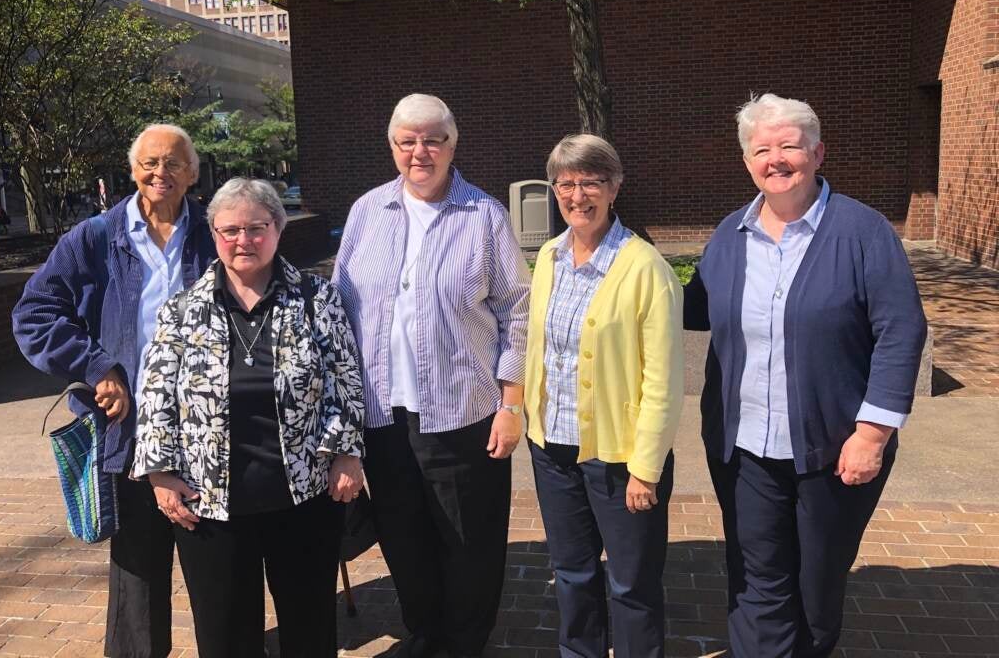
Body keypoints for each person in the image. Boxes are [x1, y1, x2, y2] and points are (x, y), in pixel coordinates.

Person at [684, 93, 927, 658]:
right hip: (745, 448)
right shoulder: (731, 234)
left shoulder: (862, 231)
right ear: (747, 161)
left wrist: (872, 434)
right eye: (761, 148)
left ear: (818, 153)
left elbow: (901, 330)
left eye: (789, 146)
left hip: (833, 449)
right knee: (757, 578)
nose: (775, 158)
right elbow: (690, 308)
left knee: (817, 584)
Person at [332, 94, 531, 658]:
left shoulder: (484, 214)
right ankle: (425, 633)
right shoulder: (367, 212)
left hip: (465, 412)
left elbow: (518, 311)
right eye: (407, 141)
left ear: (452, 143)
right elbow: (341, 309)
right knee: (404, 537)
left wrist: (511, 404)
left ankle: (464, 643)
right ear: (392, 146)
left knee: (469, 541)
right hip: (383, 416)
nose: (420, 151)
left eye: (433, 139)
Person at [132, 177, 365, 658]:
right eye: (230, 230)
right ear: (214, 234)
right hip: (210, 503)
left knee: (309, 626)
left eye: (257, 227)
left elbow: (346, 377)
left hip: (304, 494)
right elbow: (155, 393)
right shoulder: (181, 310)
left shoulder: (315, 298)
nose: (243, 240)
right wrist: (159, 471)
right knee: (224, 635)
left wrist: (346, 452)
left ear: (278, 229)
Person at [13, 124, 216, 658]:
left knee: (215, 555)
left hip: (207, 425)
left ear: (192, 173)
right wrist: (97, 365)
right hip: (127, 428)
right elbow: (34, 314)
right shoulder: (95, 238)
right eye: (150, 163)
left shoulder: (216, 232)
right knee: (139, 565)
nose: (160, 173)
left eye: (174, 163)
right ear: (132, 171)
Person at [523, 134, 684, 658]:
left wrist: (647, 467)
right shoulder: (548, 257)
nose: (577, 195)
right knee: (572, 571)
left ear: (614, 187)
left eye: (590, 182)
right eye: (565, 183)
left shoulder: (645, 269)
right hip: (553, 449)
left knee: (632, 584)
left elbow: (663, 379)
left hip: (619, 458)